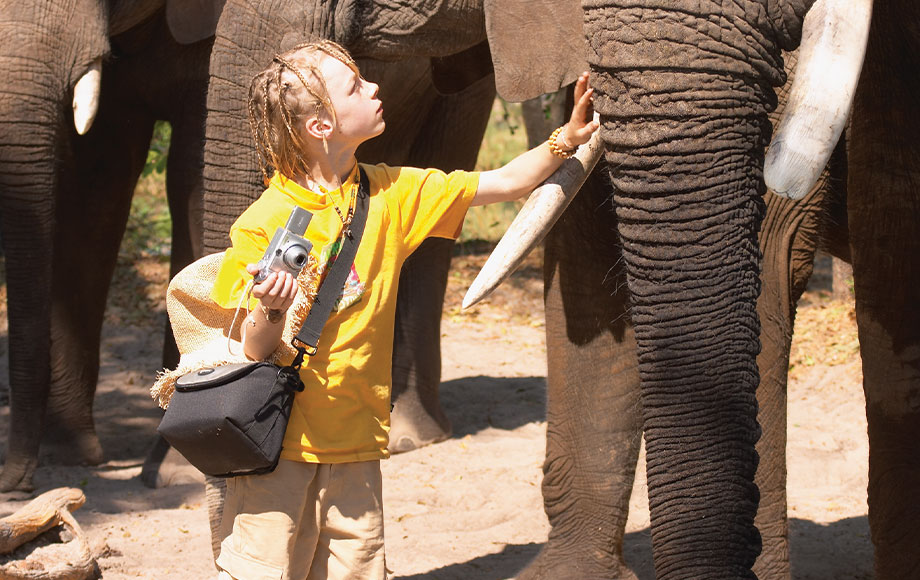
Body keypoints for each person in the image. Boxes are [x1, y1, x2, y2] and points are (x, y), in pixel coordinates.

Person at [209, 39, 598, 580]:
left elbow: (505, 182)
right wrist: (272, 310)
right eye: (354, 87)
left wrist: (567, 139)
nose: (374, 88)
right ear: (321, 126)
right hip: (280, 446)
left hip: (358, 444)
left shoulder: (390, 192)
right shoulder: (262, 221)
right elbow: (250, 349)